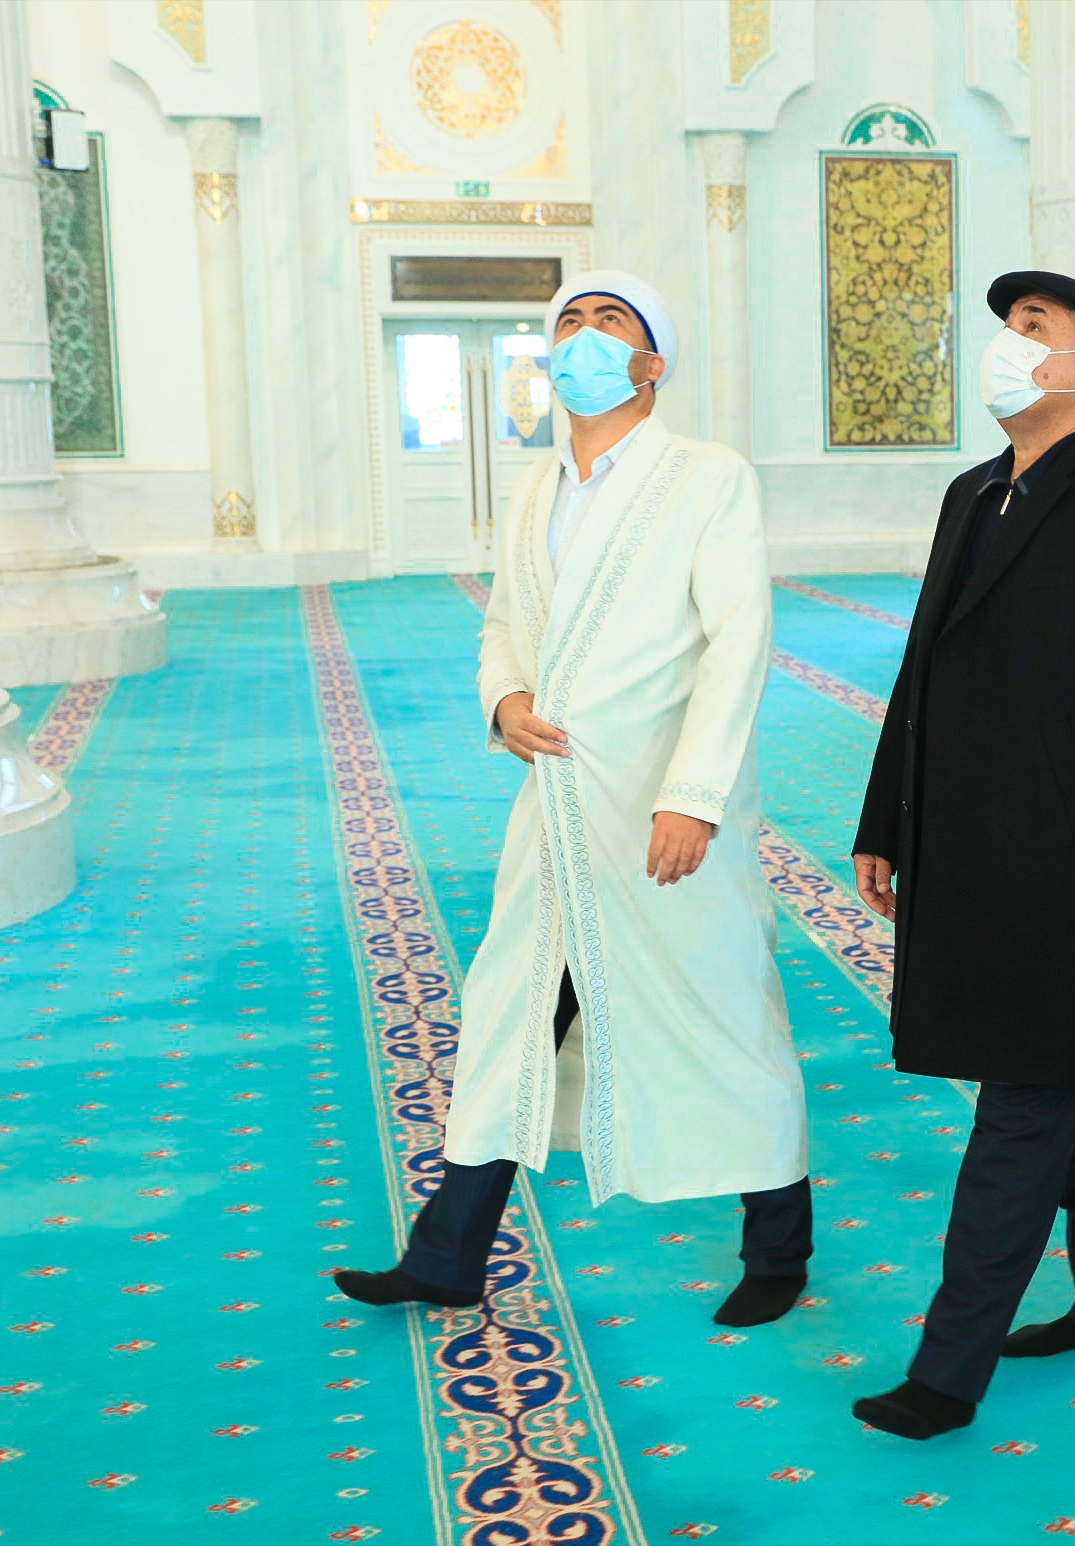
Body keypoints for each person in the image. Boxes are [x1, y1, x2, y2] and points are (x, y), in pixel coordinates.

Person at [335, 270, 813, 1327]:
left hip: (663, 809)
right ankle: (447, 1253)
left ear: (652, 363)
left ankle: (780, 1250)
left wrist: (694, 795)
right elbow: (505, 624)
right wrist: (504, 699)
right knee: (511, 1013)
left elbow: (737, 643)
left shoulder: (708, 476)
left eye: (609, 321)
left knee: (720, 1014)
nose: (583, 337)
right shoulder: (535, 488)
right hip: (554, 805)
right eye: (569, 323)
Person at [846, 270, 1075, 1440]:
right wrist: (883, 817)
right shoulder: (973, 493)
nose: (1007, 344)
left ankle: (945, 1372)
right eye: (1007, 327)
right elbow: (923, 667)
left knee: (1023, 1101)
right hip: (972, 856)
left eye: (1035, 329)